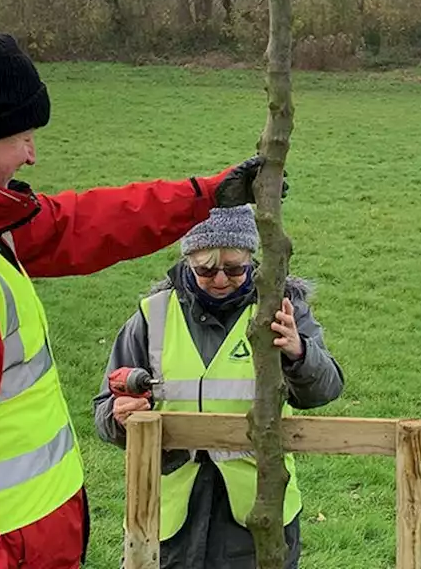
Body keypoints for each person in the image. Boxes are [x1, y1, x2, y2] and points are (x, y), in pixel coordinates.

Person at [0, 29, 284, 569]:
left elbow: (73, 226)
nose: (33, 155)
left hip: (13, 537)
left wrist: (204, 197)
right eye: (23, 136)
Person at [94, 204, 344, 569]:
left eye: (235, 268)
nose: (221, 279)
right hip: (166, 516)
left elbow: (326, 389)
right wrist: (119, 417)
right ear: (188, 261)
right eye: (206, 270)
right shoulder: (153, 315)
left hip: (257, 512)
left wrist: (299, 352)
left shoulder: (281, 308)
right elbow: (105, 409)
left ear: (252, 260)